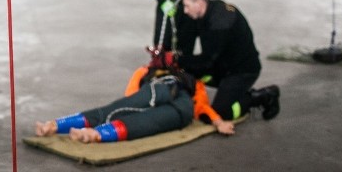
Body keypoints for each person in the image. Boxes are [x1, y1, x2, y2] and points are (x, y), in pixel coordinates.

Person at [34, 53, 237, 144]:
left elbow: (130, 97)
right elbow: (202, 107)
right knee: (145, 121)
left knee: (126, 112)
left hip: (172, 95)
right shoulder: (158, 73)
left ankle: (63, 127)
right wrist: (218, 122)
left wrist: (218, 122)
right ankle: (86, 133)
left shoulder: (149, 72)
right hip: (176, 102)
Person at [176, 0, 279, 122]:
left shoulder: (220, 21)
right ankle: (235, 93)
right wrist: (173, 56)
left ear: (199, 3)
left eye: (187, 6)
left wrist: (177, 60)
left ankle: (261, 97)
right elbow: (186, 37)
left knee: (219, 113)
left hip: (242, 71)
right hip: (223, 64)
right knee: (187, 72)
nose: (185, 10)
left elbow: (207, 61)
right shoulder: (205, 12)